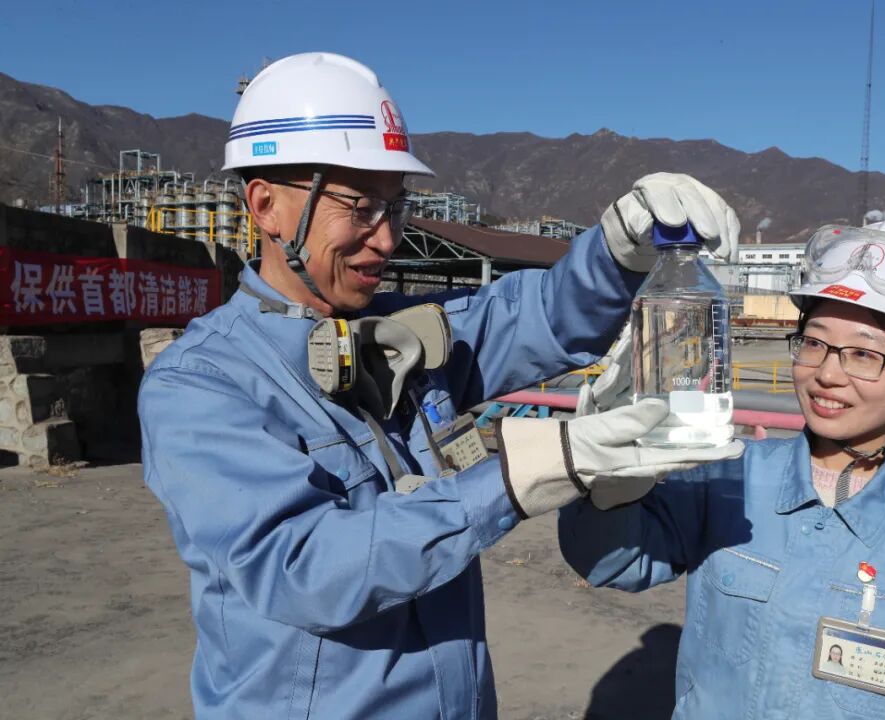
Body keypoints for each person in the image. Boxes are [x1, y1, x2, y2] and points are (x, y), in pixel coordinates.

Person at [138, 52, 742, 719]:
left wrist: (616, 248)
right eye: (360, 208)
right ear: (266, 206)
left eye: (396, 206)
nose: (386, 239)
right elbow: (303, 568)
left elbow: (541, 316)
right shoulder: (203, 384)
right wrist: (515, 477)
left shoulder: (403, 337)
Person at [559, 219, 885, 718]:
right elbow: (609, 561)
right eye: (814, 342)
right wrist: (608, 490)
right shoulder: (729, 478)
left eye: (864, 354)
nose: (827, 373)